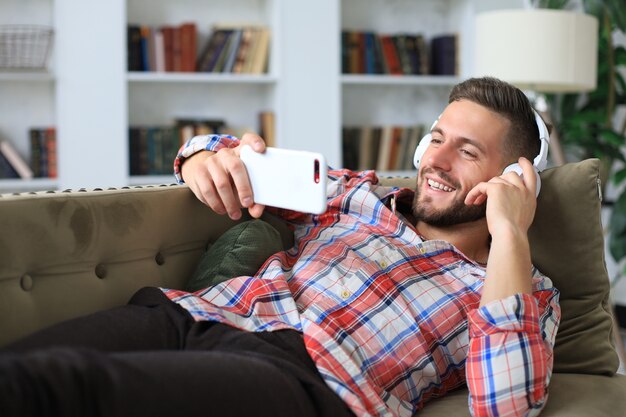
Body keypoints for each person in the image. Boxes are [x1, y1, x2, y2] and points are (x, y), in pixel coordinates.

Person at [0, 77, 560, 417]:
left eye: (466, 151)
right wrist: (204, 157)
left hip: (303, 380)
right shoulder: (353, 194)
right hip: (194, 315)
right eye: (436, 138)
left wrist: (510, 230)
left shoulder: (522, 287)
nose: (437, 159)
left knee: (60, 390)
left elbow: (508, 404)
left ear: (513, 176)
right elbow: (223, 153)